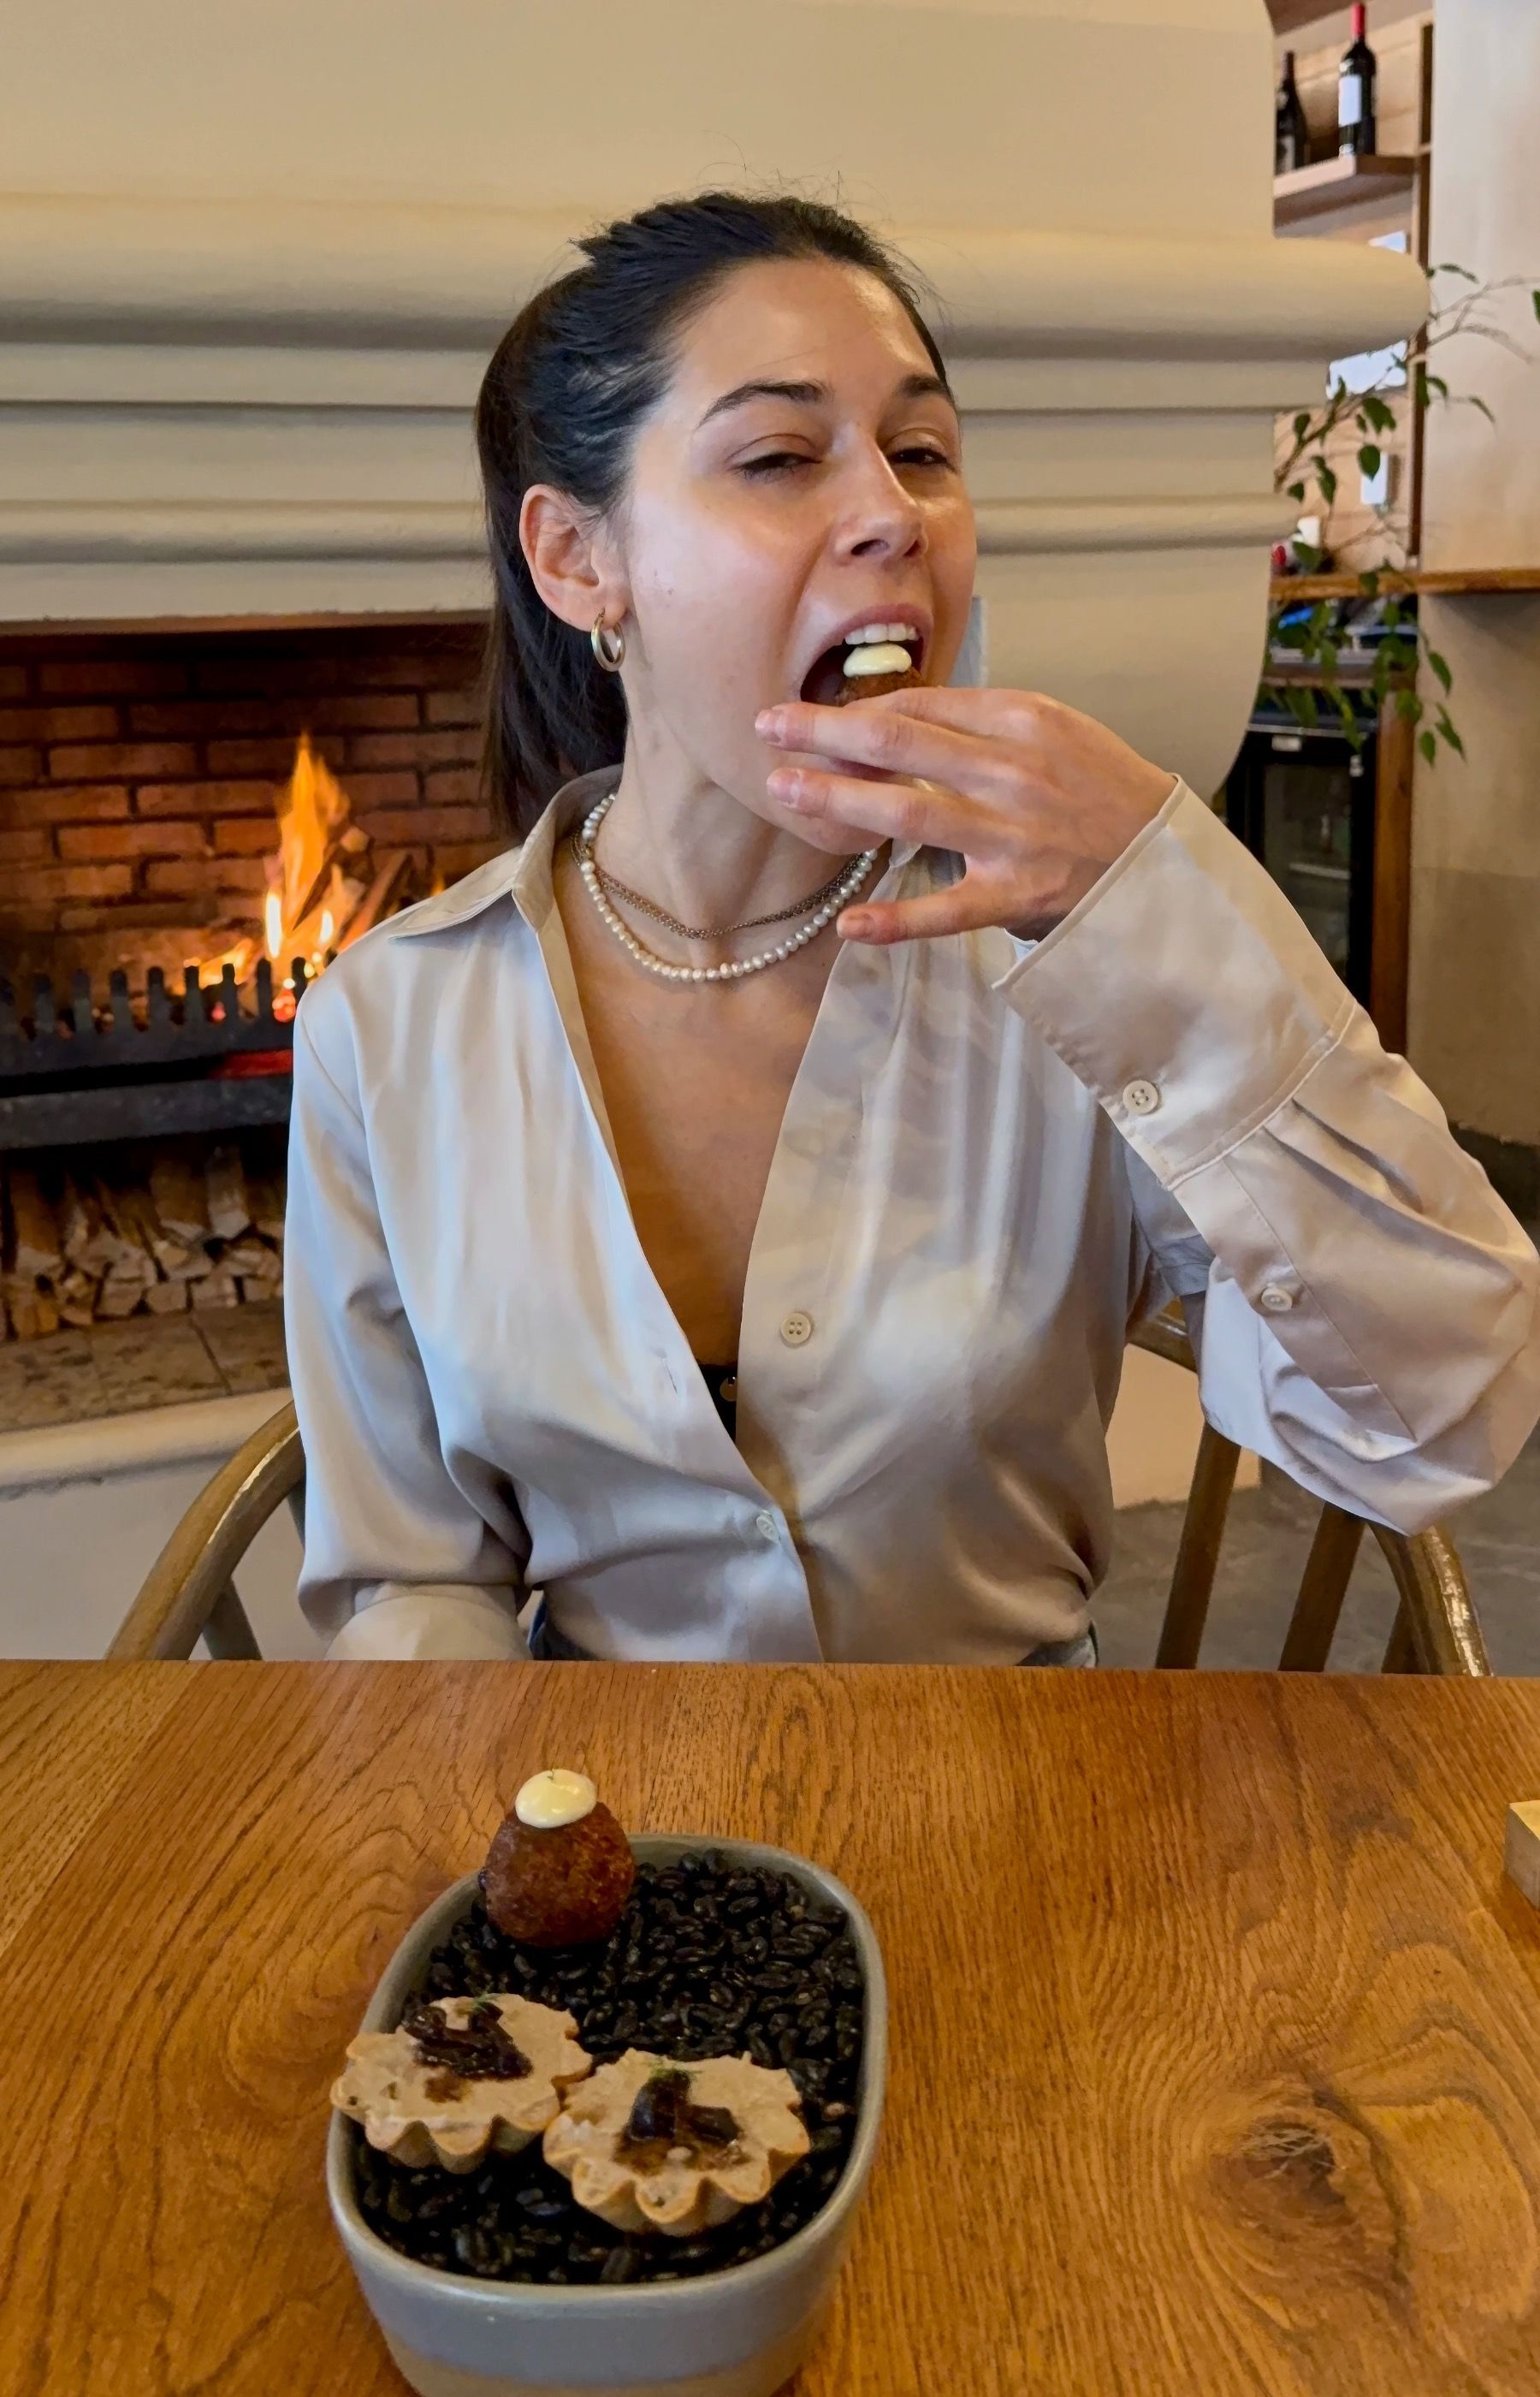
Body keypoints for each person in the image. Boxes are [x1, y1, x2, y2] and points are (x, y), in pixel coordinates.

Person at [284, 190, 1540, 1664]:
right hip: (612, 1852)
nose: (893, 512)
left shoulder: (1085, 970)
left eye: (924, 451)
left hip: (1024, 1837)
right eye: (777, 455)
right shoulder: (395, 1024)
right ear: (578, 561)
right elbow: (411, 1575)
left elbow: (1438, 1414)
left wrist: (1164, 892)